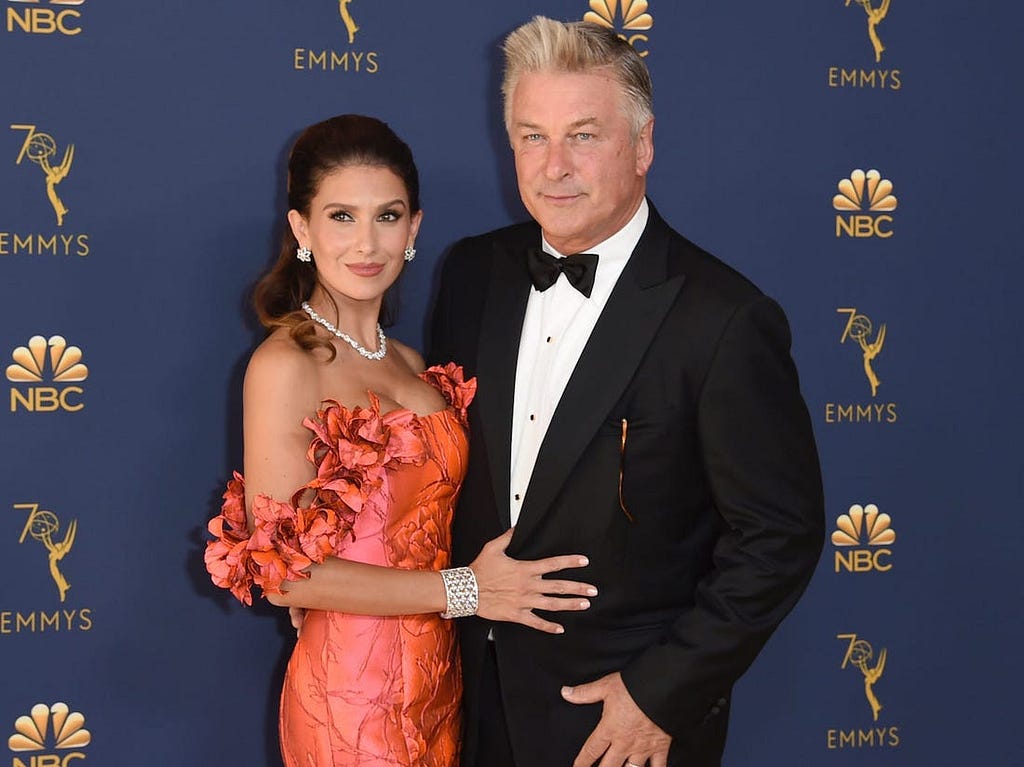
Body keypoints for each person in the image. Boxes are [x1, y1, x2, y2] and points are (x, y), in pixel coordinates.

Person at [428, 18, 825, 767]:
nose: (554, 167)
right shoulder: (473, 273)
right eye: (531, 135)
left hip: (617, 727)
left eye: (584, 135)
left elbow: (779, 539)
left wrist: (661, 692)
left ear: (642, 146)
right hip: (465, 707)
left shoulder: (724, 318)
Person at [204, 114, 596, 767]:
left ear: (414, 228)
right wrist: (469, 589)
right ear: (302, 229)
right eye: (341, 216)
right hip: (351, 698)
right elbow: (284, 578)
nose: (367, 243)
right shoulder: (284, 365)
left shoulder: (414, 363)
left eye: (386, 216)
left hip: (441, 680)